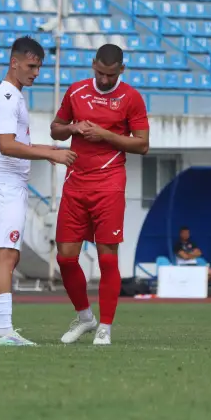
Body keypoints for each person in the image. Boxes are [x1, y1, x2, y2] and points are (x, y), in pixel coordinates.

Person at [50, 44, 150, 345]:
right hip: (76, 182)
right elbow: (55, 129)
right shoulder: (77, 91)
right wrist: (72, 127)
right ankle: (85, 318)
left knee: (107, 259)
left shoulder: (131, 97)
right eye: (99, 73)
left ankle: (105, 326)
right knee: (66, 258)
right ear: (93, 65)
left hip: (109, 183)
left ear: (121, 69)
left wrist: (105, 135)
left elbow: (143, 145)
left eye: (110, 74)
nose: (104, 80)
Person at [0, 36, 77, 347]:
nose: (36, 72)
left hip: (4, 183)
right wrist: (49, 154)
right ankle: (5, 331)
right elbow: (6, 146)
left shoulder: (8, 96)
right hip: (6, 185)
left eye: (39, 67)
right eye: (32, 66)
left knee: (5, 256)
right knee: (6, 257)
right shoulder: (9, 98)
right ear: (15, 62)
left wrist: (44, 148)